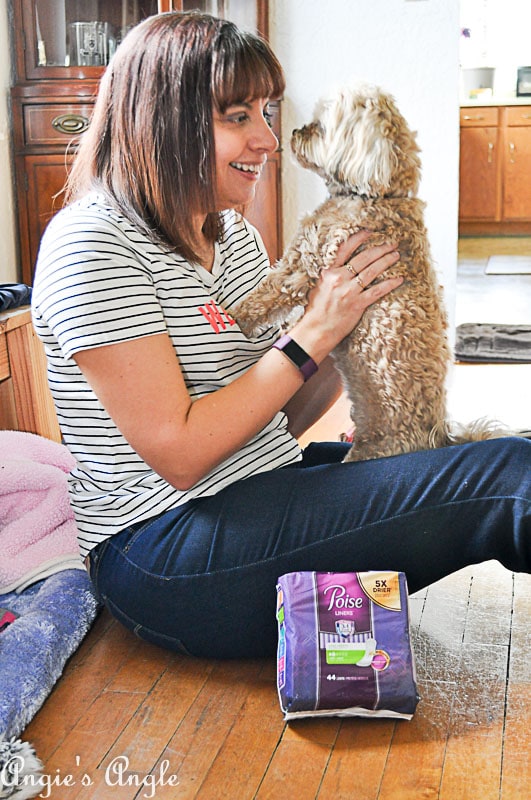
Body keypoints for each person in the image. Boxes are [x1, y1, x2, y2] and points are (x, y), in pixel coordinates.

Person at [32, 11, 530, 660]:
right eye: (238, 117)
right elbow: (179, 455)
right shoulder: (91, 244)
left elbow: (279, 412)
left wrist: (347, 328)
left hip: (262, 487)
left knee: (510, 446)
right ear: (163, 120)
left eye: (267, 112)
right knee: (508, 477)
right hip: (161, 552)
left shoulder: (230, 237)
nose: (267, 140)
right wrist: (309, 335)